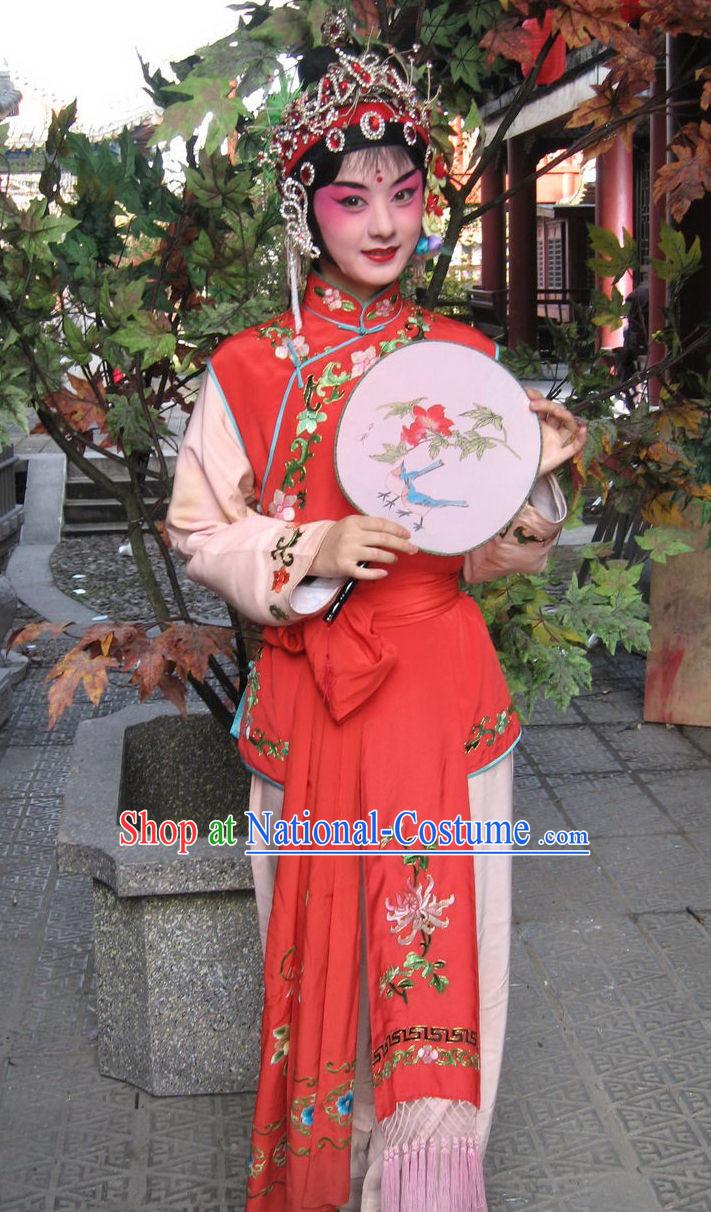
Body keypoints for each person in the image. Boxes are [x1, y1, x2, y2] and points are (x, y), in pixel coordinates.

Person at [165, 24, 587, 1212]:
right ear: (309, 212)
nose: (387, 223)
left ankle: (429, 1188)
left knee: (455, 952)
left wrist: (544, 476)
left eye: (405, 194)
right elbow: (199, 535)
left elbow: (494, 553)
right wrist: (313, 546)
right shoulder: (251, 369)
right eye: (354, 199)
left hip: (441, 691)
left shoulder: (459, 358)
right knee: (321, 963)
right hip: (314, 696)